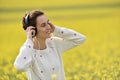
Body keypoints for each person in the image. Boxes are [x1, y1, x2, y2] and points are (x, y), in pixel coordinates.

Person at [14, 9, 86, 80]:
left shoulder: (54, 43)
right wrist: (29, 39)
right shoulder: (29, 50)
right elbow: (20, 66)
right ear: (33, 30)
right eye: (43, 25)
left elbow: (81, 39)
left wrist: (56, 30)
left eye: (48, 22)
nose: (48, 27)